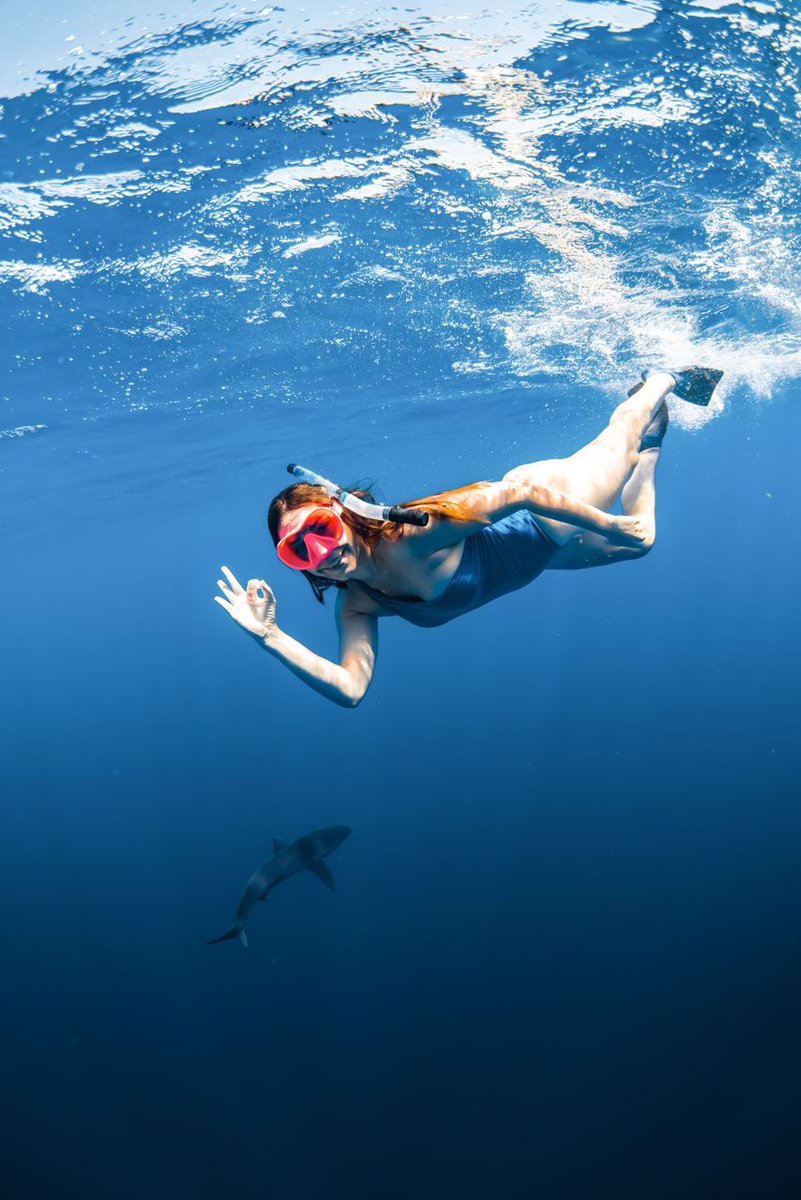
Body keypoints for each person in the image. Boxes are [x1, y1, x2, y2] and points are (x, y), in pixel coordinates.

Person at [215, 369, 721, 707]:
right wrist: (270, 637)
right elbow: (352, 690)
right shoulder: (358, 603)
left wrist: (605, 524)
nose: (322, 553)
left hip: (547, 513)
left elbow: (520, 493)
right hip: (535, 558)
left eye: (321, 530)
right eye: (298, 550)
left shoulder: (410, 533)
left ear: (343, 514)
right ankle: (652, 451)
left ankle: (662, 379)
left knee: (620, 441)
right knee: (644, 541)